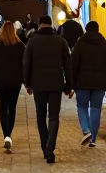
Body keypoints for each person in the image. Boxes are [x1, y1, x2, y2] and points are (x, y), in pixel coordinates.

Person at [23, 14, 73, 163]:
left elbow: (26, 64)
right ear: (51, 25)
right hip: (56, 84)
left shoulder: (32, 42)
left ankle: (45, 147)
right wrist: (69, 85)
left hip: (38, 84)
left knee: (40, 116)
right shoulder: (61, 42)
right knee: (53, 117)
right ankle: (50, 147)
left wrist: (28, 83)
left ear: (39, 25)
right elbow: (67, 66)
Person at [70, 20, 106, 146]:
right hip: (99, 83)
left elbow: (73, 65)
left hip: (82, 82)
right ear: (98, 29)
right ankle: (93, 139)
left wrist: (72, 83)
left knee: (82, 106)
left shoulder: (79, 45)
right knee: (95, 108)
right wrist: (105, 75)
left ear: (86, 29)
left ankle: (86, 130)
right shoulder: (104, 44)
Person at [0, 20, 25, 152]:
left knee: (3, 108)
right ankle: (9, 134)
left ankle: (6, 135)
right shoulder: (20, 45)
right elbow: (24, 64)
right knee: (12, 107)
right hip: (15, 81)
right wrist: (25, 80)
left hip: (1, 80)